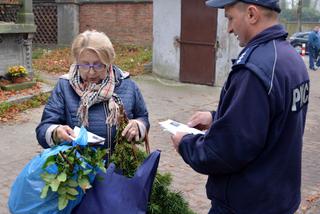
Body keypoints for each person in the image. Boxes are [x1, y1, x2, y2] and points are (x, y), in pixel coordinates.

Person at [171, 0, 309, 213]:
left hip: (246, 204)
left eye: (230, 18)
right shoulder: (291, 58)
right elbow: (269, 119)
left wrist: (185, 143)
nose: (229, 28)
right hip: (278, 199)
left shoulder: (254, 69)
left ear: (252, 15)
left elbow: (224, 152)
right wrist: (216, 117)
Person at [36, 30, 149, 161]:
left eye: (98, 64)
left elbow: (143, 118)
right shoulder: (64, 86)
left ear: (109, 61)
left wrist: (138, 126)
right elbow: (43, 129)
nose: (91, 72)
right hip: (77, 173)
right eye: (84, 64)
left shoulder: (127, 84)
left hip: (119, 172)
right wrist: (56, 132)